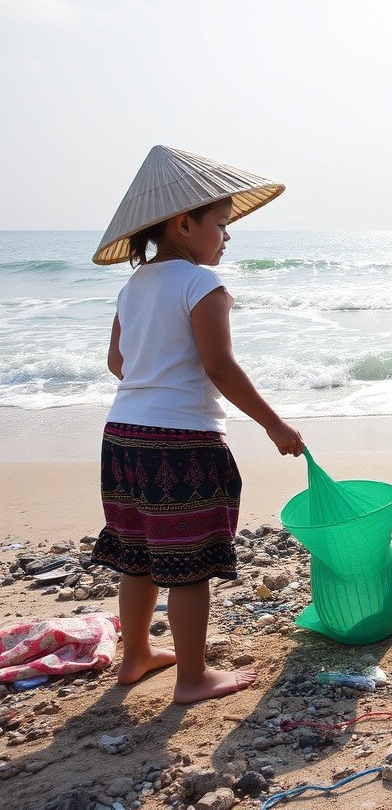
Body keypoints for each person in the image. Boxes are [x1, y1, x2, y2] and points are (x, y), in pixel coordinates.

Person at [91, 151, 303, 704]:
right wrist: (275, 425)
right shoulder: (202, 284)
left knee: (135, 552)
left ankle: (134, 655)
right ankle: (192, 677)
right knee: (187, 565)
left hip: (122, 436)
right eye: (222, 224)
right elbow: (219, 366)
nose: (228, 237)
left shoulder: (133, 286)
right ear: (184, 223)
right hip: (181, 442)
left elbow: (118, 362)